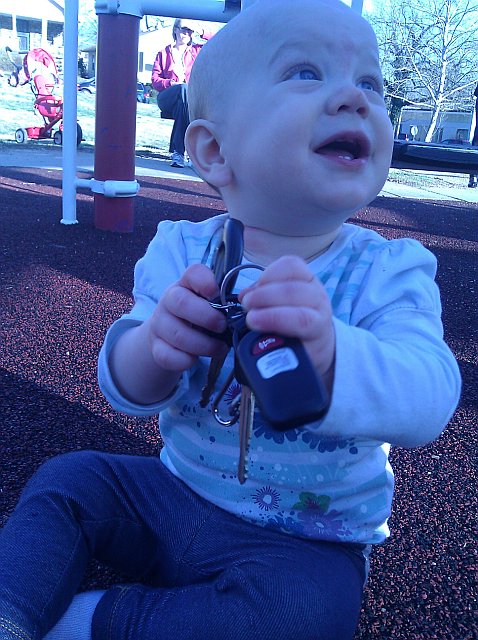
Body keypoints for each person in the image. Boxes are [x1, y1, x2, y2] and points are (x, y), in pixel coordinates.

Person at [0, 1, 462, 639]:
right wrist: (155, 345)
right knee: (69, 480)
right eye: (306, 72)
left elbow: (431, 395)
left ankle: (91, 621)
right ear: (215, 150)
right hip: (172, 495)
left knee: (309, 612)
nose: (354, 99)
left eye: (370, 82)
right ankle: (11, 612)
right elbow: (125, 386)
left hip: (306, 539)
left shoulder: (389, 270)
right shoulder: (184, 249)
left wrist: (334, 357)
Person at [151, 18, 214, 168]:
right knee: (183, 89)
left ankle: (178, 153)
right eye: (183, 29)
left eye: (189, 30)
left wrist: (200, 30)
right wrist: (170, 83)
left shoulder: (196, 51)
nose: (186, 33)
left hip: (187, 100)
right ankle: (191, 153)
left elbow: (218, 41)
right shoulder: (163, 53)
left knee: (183, 105)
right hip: (167, 96)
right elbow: (155, 80)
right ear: (175, 30)